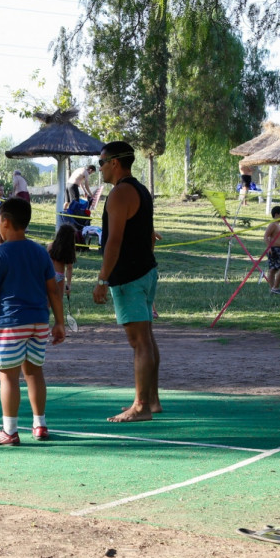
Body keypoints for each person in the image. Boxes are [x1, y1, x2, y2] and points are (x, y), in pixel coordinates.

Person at [0, 198, 66, 445]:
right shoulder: (39, 252)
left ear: (4, 221)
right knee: (35, 372)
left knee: (8, 377)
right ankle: (40, 425)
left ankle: (9, 431)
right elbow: (53, 290)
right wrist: (59, 322)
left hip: (9, 324)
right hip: (38, 323)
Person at [93, 140, 161, 423]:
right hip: (145, 272)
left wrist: (102, 279)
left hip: (130, 277)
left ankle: (141, 406)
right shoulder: (141, 190)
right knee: (147, 339)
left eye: (101, 162)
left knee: (139, 342)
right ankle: (152, 400)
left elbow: (113, 241)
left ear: (115, 163)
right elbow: (149, 236)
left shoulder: (119, 194)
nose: (100, 168)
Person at [48, 225, 77, 300]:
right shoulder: (68, 251)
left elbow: (47, 262)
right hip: (60, 276)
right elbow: (69, 268)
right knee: (58, 301)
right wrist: (68, 284)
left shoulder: (51, 246)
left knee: (47, 301)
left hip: (49, 275)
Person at [265, 206, 280, 295]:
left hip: (279, 249)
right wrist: (269, 247)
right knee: (273, 269)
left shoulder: (278, 225)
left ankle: (273, 289)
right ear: (277, 214)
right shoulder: (273, 225)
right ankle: (275, 287)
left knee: (273, 269)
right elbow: (266, 236)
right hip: (275, 249)